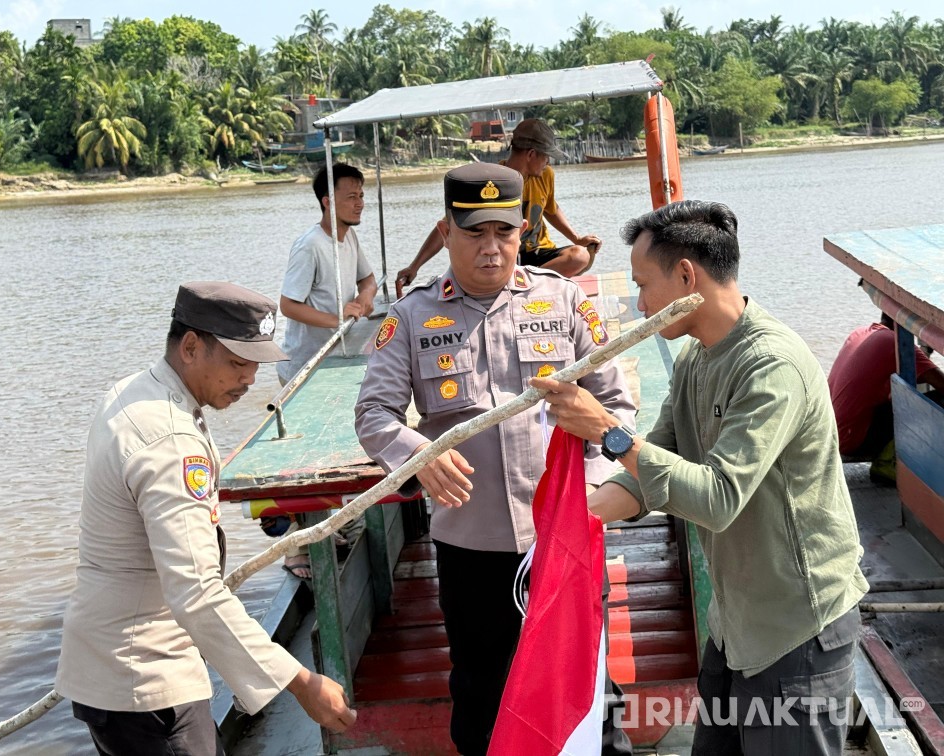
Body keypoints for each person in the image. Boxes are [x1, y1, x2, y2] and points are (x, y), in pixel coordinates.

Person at [532, 200, 869, 756]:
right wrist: (561, 530)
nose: (640, 305)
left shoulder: (771, 366)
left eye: (644, 285)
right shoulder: (697, 358)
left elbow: (716, 498)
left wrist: (607, 430)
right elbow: (653, 467)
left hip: (795, 631)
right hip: (734, 625)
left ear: (687, 276)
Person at [355, 162, 636, 755]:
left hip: (561, 538)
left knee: (585, 690)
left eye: (504, 234)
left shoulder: (563, 301)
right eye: (475, 234)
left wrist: (597, 489)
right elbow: (374, 415)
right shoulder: (409, 317)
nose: (491, 250)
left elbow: (617, 407)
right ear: (446, 231)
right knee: (481, 695)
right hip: (470, 549)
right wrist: (417, 455)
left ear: (523, 231)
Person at [56, 282, 356, 756]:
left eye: (256, 364)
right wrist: (299, 682)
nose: (250, 379)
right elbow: (195, 591)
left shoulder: (133, 393)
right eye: (238, 363)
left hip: (107, 667)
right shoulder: (170, 441)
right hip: (148, 681)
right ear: (191, 346)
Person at [277, 162, 378, 578]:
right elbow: (288, 304)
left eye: (360, 195)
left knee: (332, 449)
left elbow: (368, 280)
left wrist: (365, 299)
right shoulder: (310, 246)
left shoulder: (349, 237)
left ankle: (322, 530)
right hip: (304, 365)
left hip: (334, 362)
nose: (359, 202)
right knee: (300, 458)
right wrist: (339, 318)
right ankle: (295, 550)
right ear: (327, 201)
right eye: (351, 196)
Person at [394, 118, 602, 296]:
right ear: (531, 154)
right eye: (546, 156)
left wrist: (577, 238)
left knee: (580, 256)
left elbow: (551, 208)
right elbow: (451, 224)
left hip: (538, 254)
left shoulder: (546, 176)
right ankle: (519, 282)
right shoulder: (492, 183)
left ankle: (526, 283)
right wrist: (415, 266)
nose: (547, 162)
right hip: (505, 256)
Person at [828, 311, 944, 459]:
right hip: (852, 442)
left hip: (832, 436)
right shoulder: (895, 343)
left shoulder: (860, 333)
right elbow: (940, 383)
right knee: (936, 400)